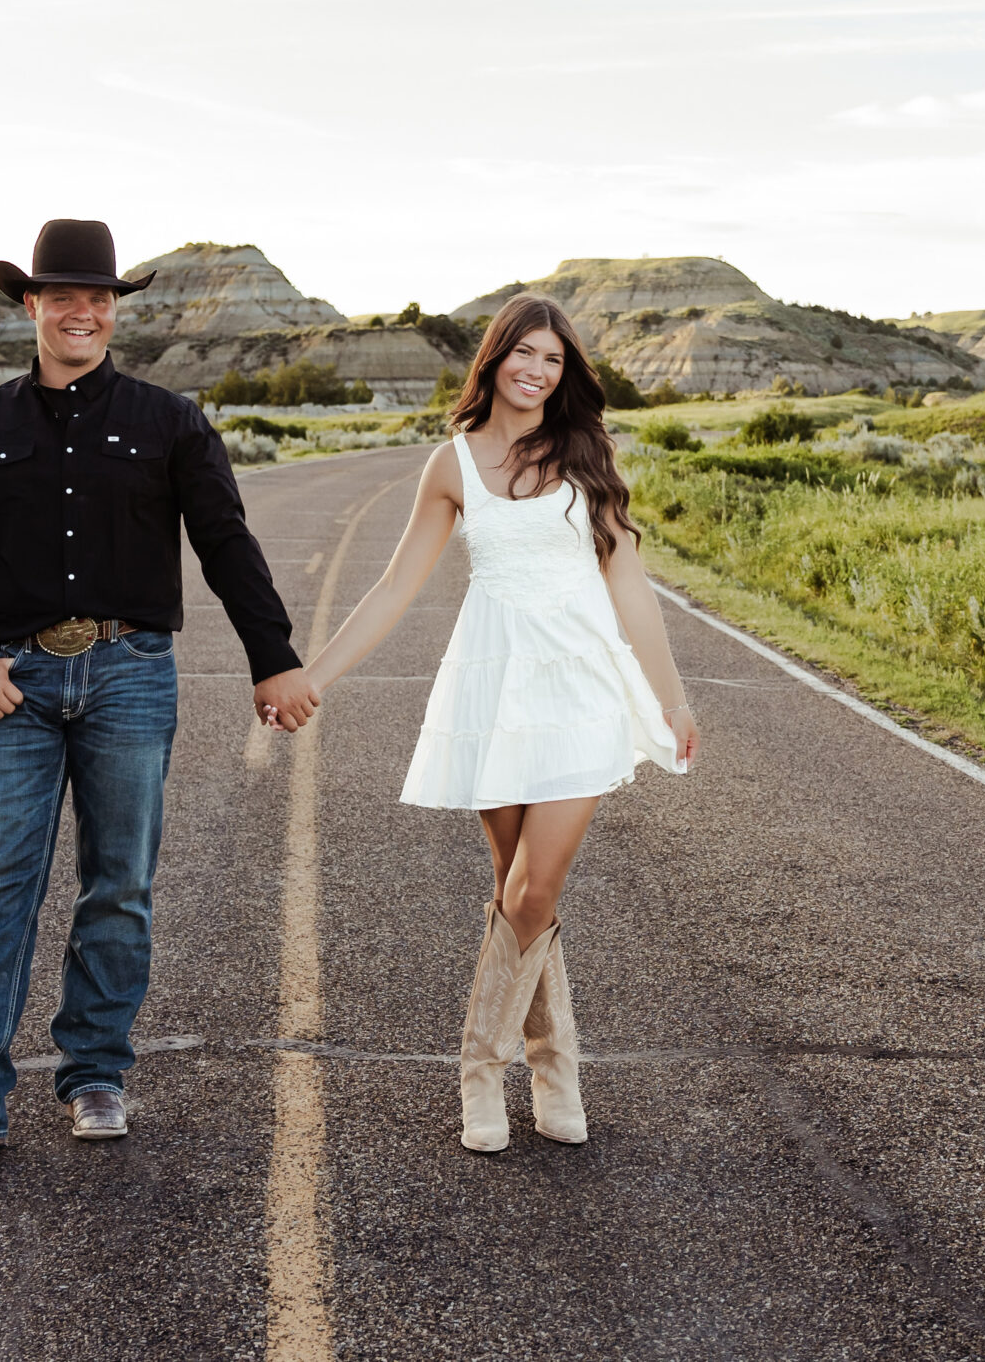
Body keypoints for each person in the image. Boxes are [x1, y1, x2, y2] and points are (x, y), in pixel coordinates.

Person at [0, 219, 319, 1169]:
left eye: (101, 297)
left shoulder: (170, 422)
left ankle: (96, 1073)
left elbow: (228, 544)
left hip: (130, 674)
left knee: (119, 884)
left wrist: (272, 658)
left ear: (117, 310)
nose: (84, 312)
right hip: (15, 682)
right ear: (30, 306)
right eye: (64, 296)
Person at [281, 294, 699, 1151]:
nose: (537, 370)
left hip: (579, 687)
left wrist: (672, 694)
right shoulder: (452, 464)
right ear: (495, 359)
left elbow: (629, 583)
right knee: (514, 887)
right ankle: (556, 1067)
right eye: (524, 354)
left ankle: (482, 1070)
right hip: (493, 689)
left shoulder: (588, 454)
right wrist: (312, 674)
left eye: (552, 359)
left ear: (564, 371)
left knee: (534, 888)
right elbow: (395, 586)